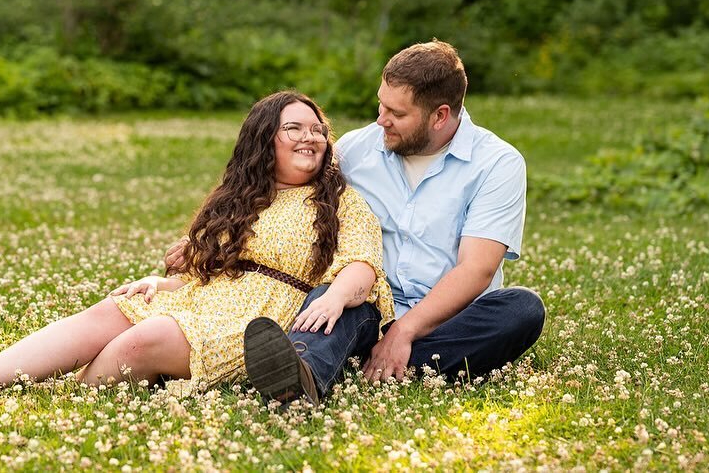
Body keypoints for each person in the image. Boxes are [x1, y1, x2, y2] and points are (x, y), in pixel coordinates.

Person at [0, 91, 394, 399]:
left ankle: (92, 389)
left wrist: (332, 296)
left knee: (137, 342)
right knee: (108, 312)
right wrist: (166, 282)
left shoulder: (339, 201)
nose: (310, 138)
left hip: (261, 315)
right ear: (265, 140)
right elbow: (217, 268)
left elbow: (363, 264)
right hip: (204, 297)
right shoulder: (243, 196)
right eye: (294, 129)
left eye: (317, 130)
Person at [168, 40, 546, 404]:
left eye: (396, 114)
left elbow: (477, 270)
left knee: (522, 310)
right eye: (381, 105)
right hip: (366, 307)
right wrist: (212, 242)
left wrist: (404, 331)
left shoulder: (498, 163)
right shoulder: (356, 149)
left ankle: (356, 362)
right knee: (332, 295)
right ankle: (303, 378)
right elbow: (282, 194)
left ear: (440, 116)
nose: (381, 120)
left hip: (446, 320)